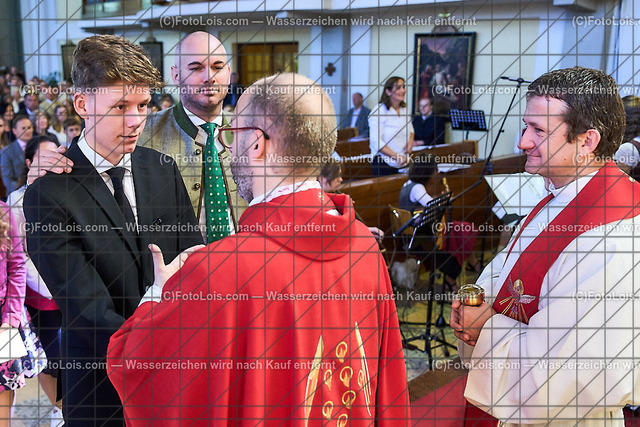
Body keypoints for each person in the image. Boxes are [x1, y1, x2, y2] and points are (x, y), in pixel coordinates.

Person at [107, 72, 410, 425]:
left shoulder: (218, 272)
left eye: (232, 134)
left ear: (255, 142)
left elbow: (134, 365)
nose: (228, 147)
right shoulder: (363, 246)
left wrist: (158, 293)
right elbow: (388, 389)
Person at [23, 35, 204, 426]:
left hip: (176, 384)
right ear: (82, 104)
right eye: (120, 106)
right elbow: (88, 312)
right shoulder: (48, 194)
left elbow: (193, 261)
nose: (136, 120)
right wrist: (159, 314)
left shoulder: (162, 168)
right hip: (101, 392)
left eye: (142, 105)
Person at [450, 66, 640, 425]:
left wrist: (486, 328)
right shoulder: (560, 196)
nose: (523, 142)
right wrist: (475, 302)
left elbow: (570, 371)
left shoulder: (610, 232)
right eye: (526, 127)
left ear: (587, 141)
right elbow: (508, 273)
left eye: (538, 130)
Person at [139, 31, 247, 243]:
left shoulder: (251, 131)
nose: (209, 77)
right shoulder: (142, 133)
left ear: (228, 72)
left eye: (217, 67)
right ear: (176, 75)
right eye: (196, 68)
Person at [7, 134, 63, 424]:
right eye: (43, 157)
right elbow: (19, 257)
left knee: (72, 354)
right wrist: (49, 285)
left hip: (69, 287)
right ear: (29, 163)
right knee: (49, 356)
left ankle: (66, 408)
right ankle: (59, 409)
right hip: (39, 292)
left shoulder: (68, 191)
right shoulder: (16, 201)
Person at [399, 154, 480, 287]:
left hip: (414, 231)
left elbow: (427, 203)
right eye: (434, 170)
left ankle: (470, 264)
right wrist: (447, 199)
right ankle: (456, 275)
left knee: (460, 230)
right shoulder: (417, 188)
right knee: (463, 230)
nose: (436, 173)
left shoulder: (408, 184)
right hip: (419, 235)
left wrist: (441, 199)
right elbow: (432, 205)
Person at [369, 76, 414, 176]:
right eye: (398, 88)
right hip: (384, 163)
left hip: (403, 162)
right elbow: (376, 141)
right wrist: (395, 156)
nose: (403, 90)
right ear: (388, 92)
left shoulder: (404, 110)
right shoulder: (379, 111)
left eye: (403, 87)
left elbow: (411, 129)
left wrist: (410, 143)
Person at [0, 115, 33, 195]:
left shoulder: (39, 147)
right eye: (23, 128)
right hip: (17, 195)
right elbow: (9, 181)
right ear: (14, 131)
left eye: (29, 128)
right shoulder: (6, 152)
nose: (27, 131)